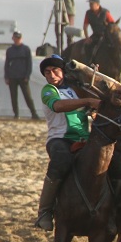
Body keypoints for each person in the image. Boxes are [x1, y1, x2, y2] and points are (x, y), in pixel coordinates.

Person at [34, 55, 102, 230]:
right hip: (59, 139)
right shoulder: (48, 90)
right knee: (62, 161)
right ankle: (45, 211)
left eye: (55, 70)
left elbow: (92, 104)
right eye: (47, 72)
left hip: (83, 138)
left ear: (63, 72)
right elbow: (58, 106)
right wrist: (87, 101)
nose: (51, 74)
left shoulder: (75, 90)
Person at [5, 31, 39, 120]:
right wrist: (6, 76)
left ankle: (34, 113)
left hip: (23, 76)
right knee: (13, 97)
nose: (17, 39)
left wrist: (27, 76)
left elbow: (29, 64)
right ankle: (16, 114)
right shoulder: (10, 50)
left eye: (19, 38)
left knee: (28, 97)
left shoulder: (26, 49)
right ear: (13, 38)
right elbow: (7, 64)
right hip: (12, 76)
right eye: (16, 38)